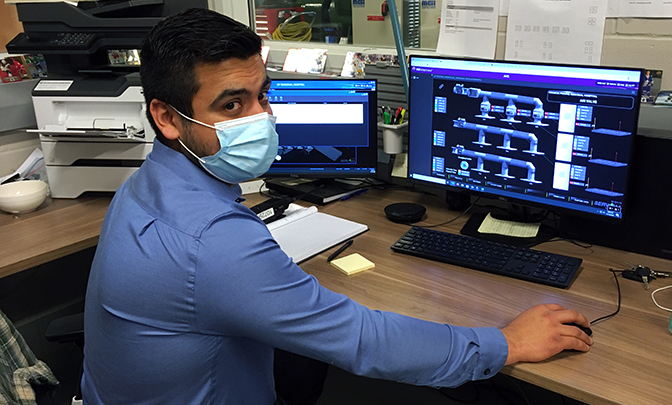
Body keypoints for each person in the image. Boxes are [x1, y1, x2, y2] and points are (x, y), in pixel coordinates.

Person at [81, 8, 593, 405]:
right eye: (232, 105)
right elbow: (365, 340)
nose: (263, 117)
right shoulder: (212, 241)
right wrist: (506, 342)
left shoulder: (145, 186)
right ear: (167, 118)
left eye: (264, 94)